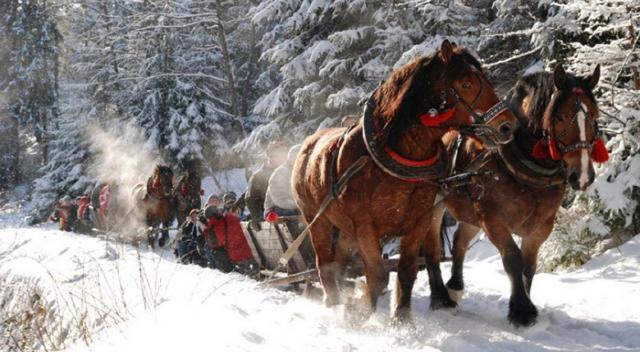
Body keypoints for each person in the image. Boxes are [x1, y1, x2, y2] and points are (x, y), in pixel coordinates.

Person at [244, 140, 288, 230]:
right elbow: (250, 199)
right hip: (270, 214)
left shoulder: (288, 173)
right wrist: (257, 218)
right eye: (271, 156)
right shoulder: (258, 176)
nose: (272, 159)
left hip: (290, 212)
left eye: (276, 156)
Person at [263, 144, 302, 223]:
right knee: (296, 214)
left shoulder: (300, 172)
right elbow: (278, 199)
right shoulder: (281, 172)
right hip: (274, 208)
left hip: (292, 206)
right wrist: (298, 205)